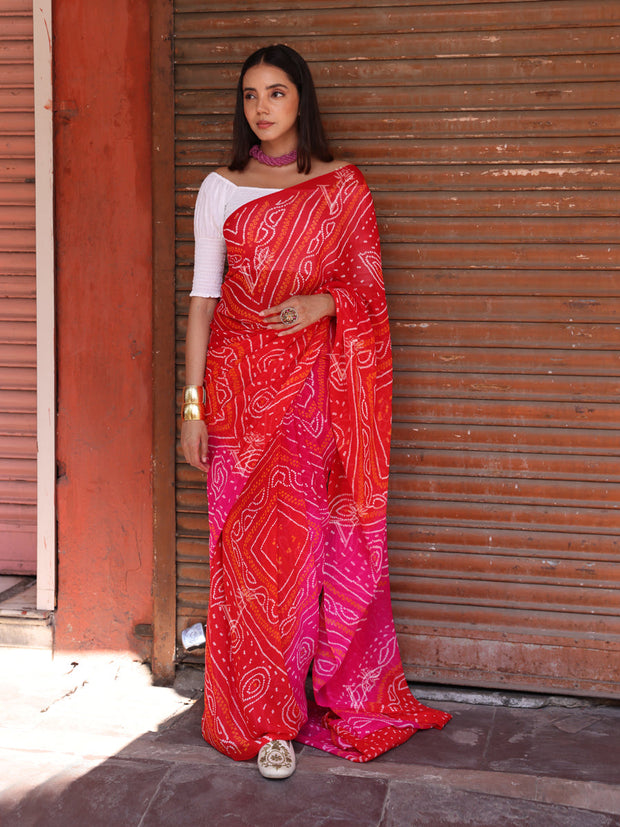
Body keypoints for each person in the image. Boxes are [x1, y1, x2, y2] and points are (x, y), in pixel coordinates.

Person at [181, 43, 450, 780]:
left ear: (302, 99)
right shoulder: (219, 188)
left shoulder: (341, 187)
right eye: (249, 96)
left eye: (275, 92)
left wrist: (324, 302)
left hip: (311, 402)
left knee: (297, 560)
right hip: (237, 398)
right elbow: (204, 303)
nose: (261, 108)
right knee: (244, 562)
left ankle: (297, 707)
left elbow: (369, 293)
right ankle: (259, 715)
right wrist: (192, 404)